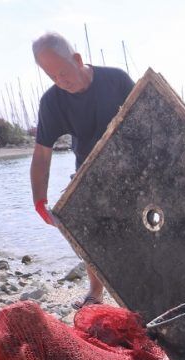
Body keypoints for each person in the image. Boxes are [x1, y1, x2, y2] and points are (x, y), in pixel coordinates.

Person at [30, 31, 135, 308]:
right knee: (89, 231)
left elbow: (148, 117)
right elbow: (42, 154)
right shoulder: (52, 101)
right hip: (88, 173)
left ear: (77, 59)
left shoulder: (116, 80)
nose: (61, 81)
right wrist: (39, 201)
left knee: (138, 231)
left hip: (132, 168)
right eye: (52, 76)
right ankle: (95, 293)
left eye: (63, 72)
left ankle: (143, 289)